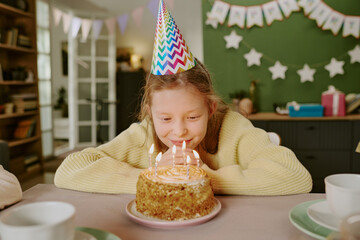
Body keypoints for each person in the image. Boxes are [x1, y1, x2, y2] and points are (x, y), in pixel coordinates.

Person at [54, 0, 312, 195]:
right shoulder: (145, 134)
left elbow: (296, 177)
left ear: (210, 107)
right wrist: (154, 176)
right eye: (165, 118)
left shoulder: (232, 127)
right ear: (149, 112)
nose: (179, 131)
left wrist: (205, 178)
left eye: (192, 116)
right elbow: (69, 169)